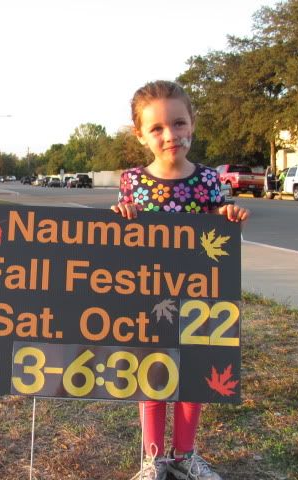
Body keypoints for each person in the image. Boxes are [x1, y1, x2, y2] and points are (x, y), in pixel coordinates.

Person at [111, 81, 249, 480]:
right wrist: (121, 217)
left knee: (193, 375)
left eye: (178, 123)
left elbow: (219, 240)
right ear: (140, 135)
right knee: (152, 375)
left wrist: (230, 220)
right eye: (156, 128)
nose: (170, 134)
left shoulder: (208, 180)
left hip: (199, 295)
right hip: (150, 295)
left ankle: (185, 454)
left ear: (192, 124)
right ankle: (153, 459)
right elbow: (124, 241)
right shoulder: (133, 182)